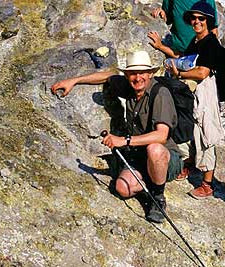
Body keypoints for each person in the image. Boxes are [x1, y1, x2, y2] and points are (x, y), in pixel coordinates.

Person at [50, 51, 184, 223]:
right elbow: (107, 77)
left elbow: (161, 135)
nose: (137, 78)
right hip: (140, 156)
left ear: (150, 73)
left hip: (165, 157)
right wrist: (74, 81)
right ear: (127, 75)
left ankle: (157, 197)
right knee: (122, 188)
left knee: (155, 149)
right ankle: (150, 183)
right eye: (133, 73)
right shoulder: (129, 86)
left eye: (142, 73)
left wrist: (124, 141)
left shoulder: (160, 93)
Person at [151, 1, 225, 199]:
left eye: (201, 18)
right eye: (193, 18)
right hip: (195, 91)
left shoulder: (210, 43)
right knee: (191, 126)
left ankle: (207, 183)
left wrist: (180, 74)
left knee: (205, 132)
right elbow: (181, 56)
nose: (196, 21)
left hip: (207, 92)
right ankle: (190, 163)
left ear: (208, 21)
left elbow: (202, 72)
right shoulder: (197, 41)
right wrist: (161, 47)